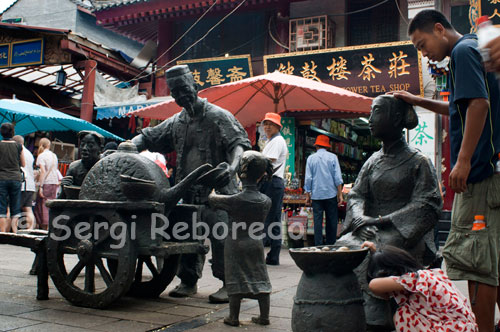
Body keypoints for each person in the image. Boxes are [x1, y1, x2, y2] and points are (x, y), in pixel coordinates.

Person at [390, 10, 500, 332]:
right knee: (491, 257)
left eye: (422, 45)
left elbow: (479, 104)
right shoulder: (471, 50)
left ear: (439, 29)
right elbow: (460, 108)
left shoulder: (463, 51)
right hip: (490, 171)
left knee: (476, 260)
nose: (424, 54)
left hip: (480, 173)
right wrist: (418, 99)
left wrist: (463, 160)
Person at [131, 64, 251, 303]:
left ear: (195, 87)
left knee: (221, 236)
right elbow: (148, 137)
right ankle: (188, 280)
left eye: (184, 89)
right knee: (185, 235)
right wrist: (128, 147)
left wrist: (233, 166)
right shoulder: (176, 121)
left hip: (219, 191)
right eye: (175, 93)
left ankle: (230, 283)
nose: (181, 96)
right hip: (187, 191)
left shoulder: (218, 116)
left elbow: (239, 144)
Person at [337, 95, 442, 330]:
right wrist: (361, 220)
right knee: (342, 247)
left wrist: (383, 220)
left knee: (377, 255)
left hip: (403, 233)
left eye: (377, 112)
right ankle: (347, 311)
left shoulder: (419, 161)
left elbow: (428, 203)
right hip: (369, 228)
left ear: (396, 118)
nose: (371, 119)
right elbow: (356, 195)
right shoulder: (373, 160)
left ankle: (377, 318)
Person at [208, 151, 273, 327]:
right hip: (256, 243)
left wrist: (213, 187)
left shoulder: (234, 199)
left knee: (235, 278)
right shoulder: (266, 200)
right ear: (261, 175)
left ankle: (233, 317)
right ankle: (264, 316)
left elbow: (212, 200)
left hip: (235, 243)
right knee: (261, 278)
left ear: (240, 173)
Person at [362, 241, 478, 332]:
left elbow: (374, 285)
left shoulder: (413, 279)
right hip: (465, 327)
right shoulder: (429, 274)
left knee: (403, 314)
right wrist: (375, 251)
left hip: (452, 328)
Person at [304, 134, 344, 246]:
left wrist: (308, 195)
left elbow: (308, 179)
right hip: (331, 194)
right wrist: (340, 194)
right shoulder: (333, 157)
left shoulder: (311, 159)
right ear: (327, 146)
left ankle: (319, 245)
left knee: (317, 222)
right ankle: (331, 245)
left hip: (316, 195)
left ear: (316, 146)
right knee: (332, 221)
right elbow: (338, 178)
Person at [260, 112, 288, 266]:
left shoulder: (277, 141)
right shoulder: (271, 141)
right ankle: (272, 255)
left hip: (272, 182)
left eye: (271, 124)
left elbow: (268, 163)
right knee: (271, 218)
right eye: (265, 124)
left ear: (278, 126)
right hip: (271, 183)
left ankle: (266, 253)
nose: (267, 127)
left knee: (268, 218)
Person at [60, 131, 103, 197]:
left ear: (100, 149)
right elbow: (62, 198)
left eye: (90, 145)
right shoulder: (73, 168)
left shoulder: (105, 168)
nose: (84, 148)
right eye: (82, 144)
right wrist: (64, 187)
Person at [0, 123, 25, 232]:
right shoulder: (18, 146)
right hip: (15, 178)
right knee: (15, 206)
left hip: (1, 178)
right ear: (12, 132)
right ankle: (14, 232)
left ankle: (2, 232)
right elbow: (23, 163)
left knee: (1, 207)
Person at [34, 138, 59, 230]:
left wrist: (40, 186)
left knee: (42, 206)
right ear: (49, 145)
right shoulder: (54, 155)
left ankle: (43, 228)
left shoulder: (41, 156)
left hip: (46, 183)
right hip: (54, 183)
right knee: (50, 206)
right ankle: (49, 227)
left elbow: (43, 171)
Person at [12, 135, 35, 231]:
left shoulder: (18, 151)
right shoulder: (29, 153)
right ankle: (30, 229)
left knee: (16, 208)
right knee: (28, 208)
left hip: (22, 184)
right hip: (30, 185)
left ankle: (14, 230)